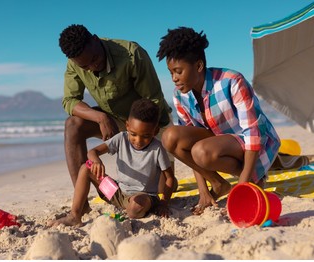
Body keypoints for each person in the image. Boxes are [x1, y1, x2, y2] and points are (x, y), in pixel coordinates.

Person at [156, 26, 281, 215]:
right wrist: (203, 191)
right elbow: (187, 147)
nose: (174, 78)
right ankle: (218, 184)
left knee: (202, 151)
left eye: (178, 71)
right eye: (171, 72)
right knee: (170, 137)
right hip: (216, 143)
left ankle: (252, 178)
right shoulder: (179, 96)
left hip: (255, 144)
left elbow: (253, 133)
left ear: (198, 66)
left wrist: (244, 185)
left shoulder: (231, 81)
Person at [58, 24, 173, 212]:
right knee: (72, 125)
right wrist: (100, 117)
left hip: (148, 123)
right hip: (115, 122)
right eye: (84, 66)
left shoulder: (131, 54)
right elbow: (69, 101)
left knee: (159, 191)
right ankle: (82, 206)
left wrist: (143, 141)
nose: (92, 67)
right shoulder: (75, 63)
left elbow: (153, 100)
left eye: (94, 59)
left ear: (96, 39)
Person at [48, 99, 176, 227]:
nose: (138, 140)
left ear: (155, 131)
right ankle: (75, 215)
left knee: (135, 207)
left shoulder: (157, 149)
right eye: (133, 134)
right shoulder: (121, 138)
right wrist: (96, 161)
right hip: (117, 193)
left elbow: (169, 178)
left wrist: (163, 203)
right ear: (127, 126)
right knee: (86, 167)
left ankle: (132, 210)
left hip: (144, 197)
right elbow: (92, 152)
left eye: (146, 136)